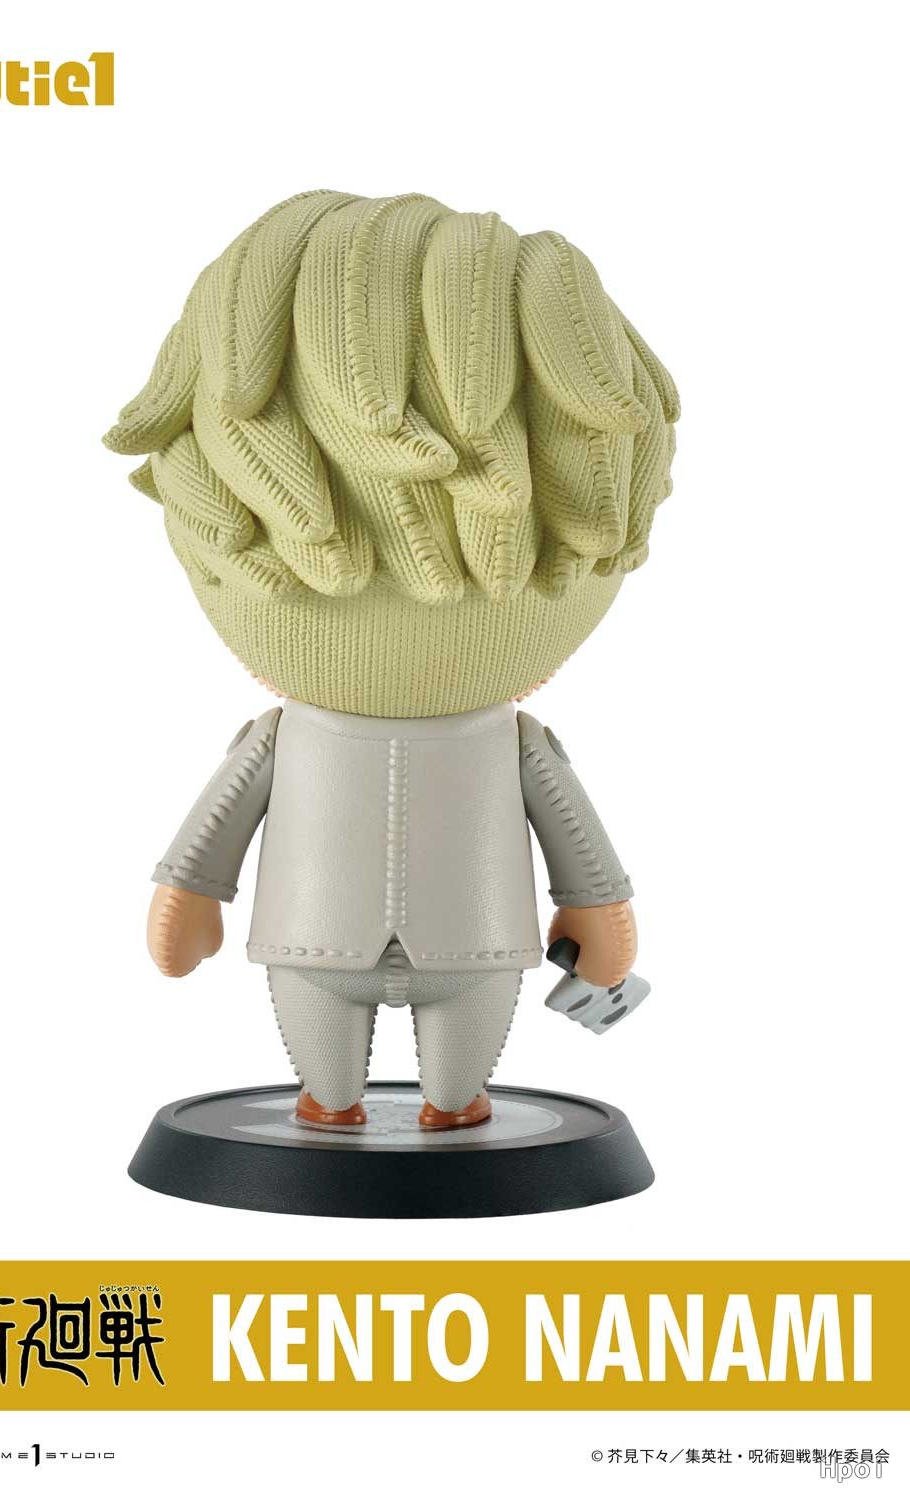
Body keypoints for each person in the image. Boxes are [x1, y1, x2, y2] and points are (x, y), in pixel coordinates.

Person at [104, 191, 678, 1128]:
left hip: (470, 943)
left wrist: (595, 905)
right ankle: (333, 1106)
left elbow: (569, 827)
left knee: (459, 1080)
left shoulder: (505, 742)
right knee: (325, 1070)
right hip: (323, 938)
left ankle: (453, 1108)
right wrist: (191, 888)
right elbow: (227, 808)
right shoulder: (296, 738)